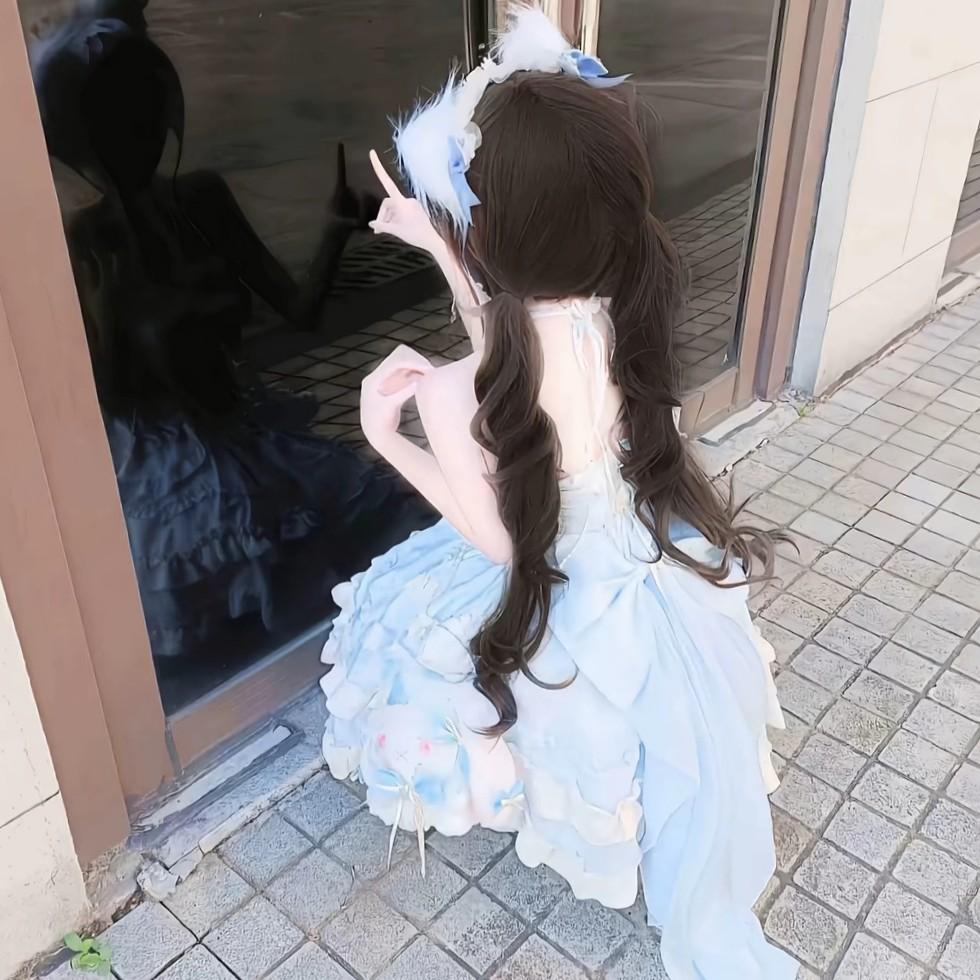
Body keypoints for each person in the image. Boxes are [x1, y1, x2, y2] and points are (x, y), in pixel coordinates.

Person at [321, 7, 796, 978]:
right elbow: (511, 329)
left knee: (404, 618)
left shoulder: (455, 393)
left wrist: (386, 440)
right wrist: (435, 243)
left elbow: (500, 543)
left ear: (487, 229)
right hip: (633, 544)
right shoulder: (617, 310)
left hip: (558, 570)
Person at [31, 1, 435, 667]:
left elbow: (298, 312)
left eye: (144, 117)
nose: (137, 138)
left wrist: (337, 233)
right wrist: (109, 311)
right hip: (160, 459)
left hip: (239, 426)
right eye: (113, 126)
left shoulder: (200, 199)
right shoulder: (90, 242)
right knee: (227, 595)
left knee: (346, 542)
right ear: (81, 140)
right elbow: (105, 390)